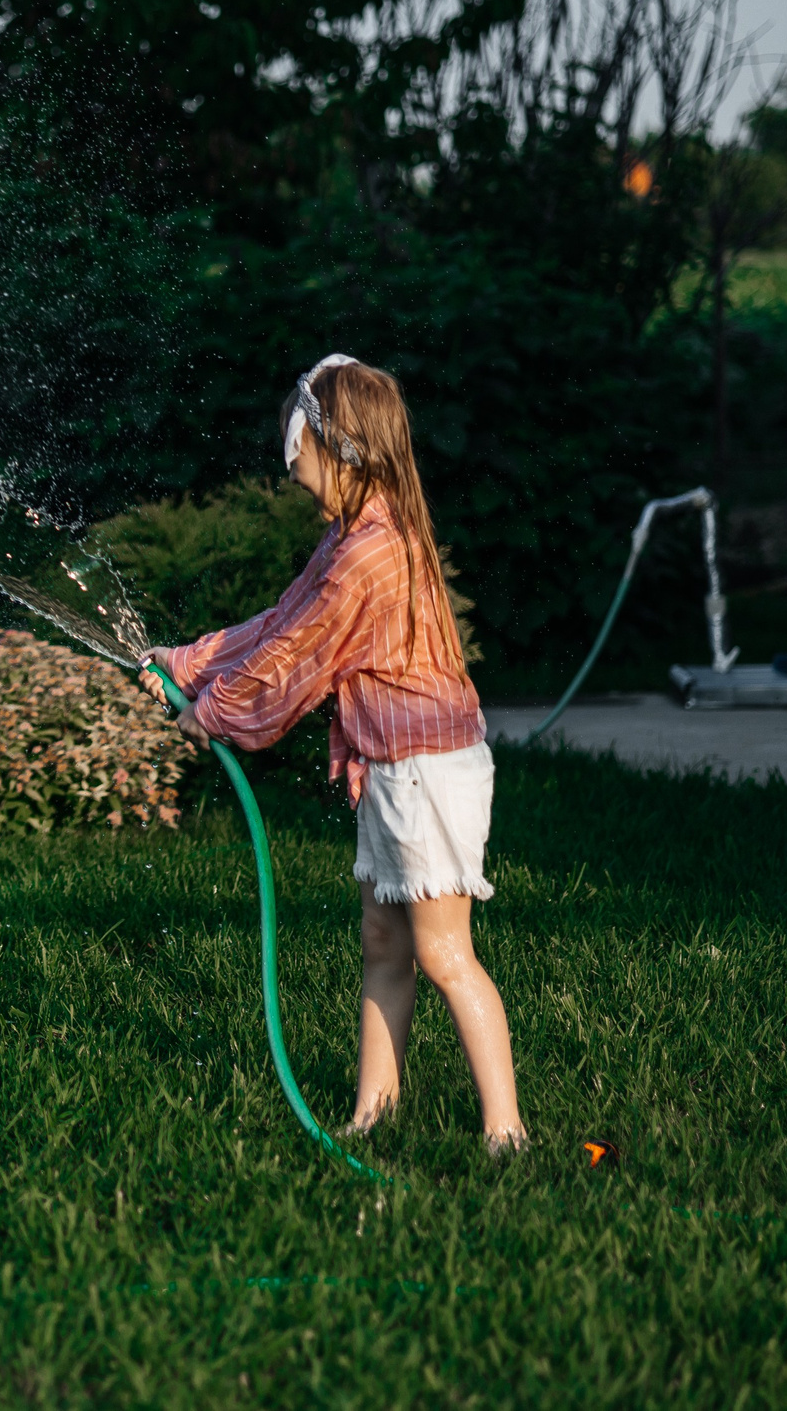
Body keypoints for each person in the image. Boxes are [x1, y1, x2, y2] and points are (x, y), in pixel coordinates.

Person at [140, 355, 525, 1150]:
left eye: (302, 467)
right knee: (384, 943)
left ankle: (506, 1131)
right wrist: (185, 663)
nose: (299, 485)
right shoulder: (351, 535)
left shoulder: (368, 555)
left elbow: (299, 658)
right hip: (394, 769)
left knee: (445, 954)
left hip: (428, 777)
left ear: (341, 451)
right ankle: (371, 1116)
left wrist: (213, 713)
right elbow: (282, 622)